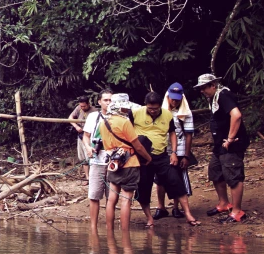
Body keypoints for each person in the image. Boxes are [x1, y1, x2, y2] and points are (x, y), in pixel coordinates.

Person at [133, 91, 200, 227]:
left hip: (162, 155)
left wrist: (174, 152)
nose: (152, 111)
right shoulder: (135, 113)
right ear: (146, 105)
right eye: (150, 108)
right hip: (142, 158)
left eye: (155, 108)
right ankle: (149, 218)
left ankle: (188, 214)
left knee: (175, 180)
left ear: (160, 106)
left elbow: (172, 133)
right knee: (143, 187)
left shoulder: (167, 114)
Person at [195, 73, 250, 223]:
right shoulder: (214, 98)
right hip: (220, 144)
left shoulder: (224, 95)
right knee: (215, 171)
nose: (202, 91)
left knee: (233, 175)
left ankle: (237, 211)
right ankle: (224, 203)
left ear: (213, 85)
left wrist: (230, 138)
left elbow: (236, 115)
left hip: (232, 144)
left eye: (204, 88)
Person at [99, 93, 152, 231]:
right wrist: (148, 158)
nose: (127, 111)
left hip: (113, 164)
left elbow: (106, 145)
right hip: (129, 163)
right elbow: (138, 146)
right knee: (126, 199)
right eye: (125, 108)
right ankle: (125, 235)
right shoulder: (124, 122)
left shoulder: (103, 123)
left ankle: (110, 232)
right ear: (121, 108)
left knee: (111, 199)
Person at [156, 82, 195, 218]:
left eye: (177, 99)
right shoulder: (160, 112)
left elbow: (188, 135)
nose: (174, 101)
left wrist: (186, 155)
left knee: (177, 178)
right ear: (167, 97)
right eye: (172, 98)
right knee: (160, 180)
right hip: (161, 149)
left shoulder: (186, 113)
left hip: (179, 149)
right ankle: (161, 207)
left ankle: (176, 207)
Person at [82, 89, 112, 230]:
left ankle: (109, 228)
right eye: (105, 100)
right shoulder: (93, 116)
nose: (108, 103)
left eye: (111, 100)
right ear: (99, 102)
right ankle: (93, 228)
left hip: (114, 161)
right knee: (94, 195)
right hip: (96, 160)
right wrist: (88, 148)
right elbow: (86, 136)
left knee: (111, 197)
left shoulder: (119, 117)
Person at [69, 97, 98, 181]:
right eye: (81, 106)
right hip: (80, 134)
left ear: (88, 104)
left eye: (84, 106)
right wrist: (76, 126)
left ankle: (93, 178)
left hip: (90, 135)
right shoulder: (78, 108)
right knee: (82, 157)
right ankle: (87, 177)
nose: (82, 108)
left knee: (90, 156)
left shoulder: (94, 111)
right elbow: (70, 118)